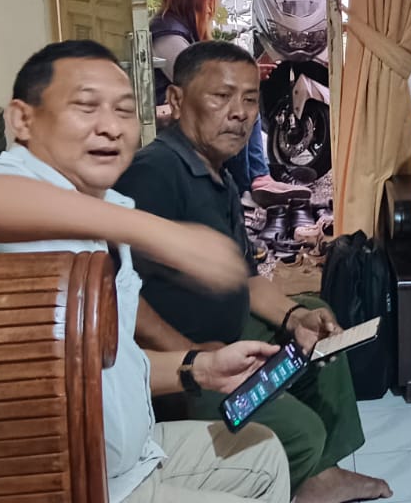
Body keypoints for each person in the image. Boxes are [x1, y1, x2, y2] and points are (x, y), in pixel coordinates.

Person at [0, 40, 292, 503]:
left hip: (129, 461)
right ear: (22, 120)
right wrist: (163, 235)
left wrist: (200, 368)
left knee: (262, 452)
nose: (111, 127)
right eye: (86, 106)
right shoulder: (9, 183)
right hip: (60, 481)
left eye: (123, 110)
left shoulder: (108, 211)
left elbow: (111, 368)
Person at [115, 41, 389, 503]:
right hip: (179, 359)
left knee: (316, 317)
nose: (240, 113)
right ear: (177, 101)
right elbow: (123, 294)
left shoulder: (218, 174)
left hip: (224, 332)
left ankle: (322, 473)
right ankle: (293, 476)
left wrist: (294, 318)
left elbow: (246, 278)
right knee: (300, 433)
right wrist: (192, 358)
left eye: (248, 99)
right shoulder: (155, 173)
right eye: (221, 97)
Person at [150, 0, 306, 208]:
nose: (210, 10)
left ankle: (259, 179)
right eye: (206, 3)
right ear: (190, 2)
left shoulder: (175, 28)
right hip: (166, 108)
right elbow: (193, 81)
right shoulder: (168, 34)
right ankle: (246, 187)